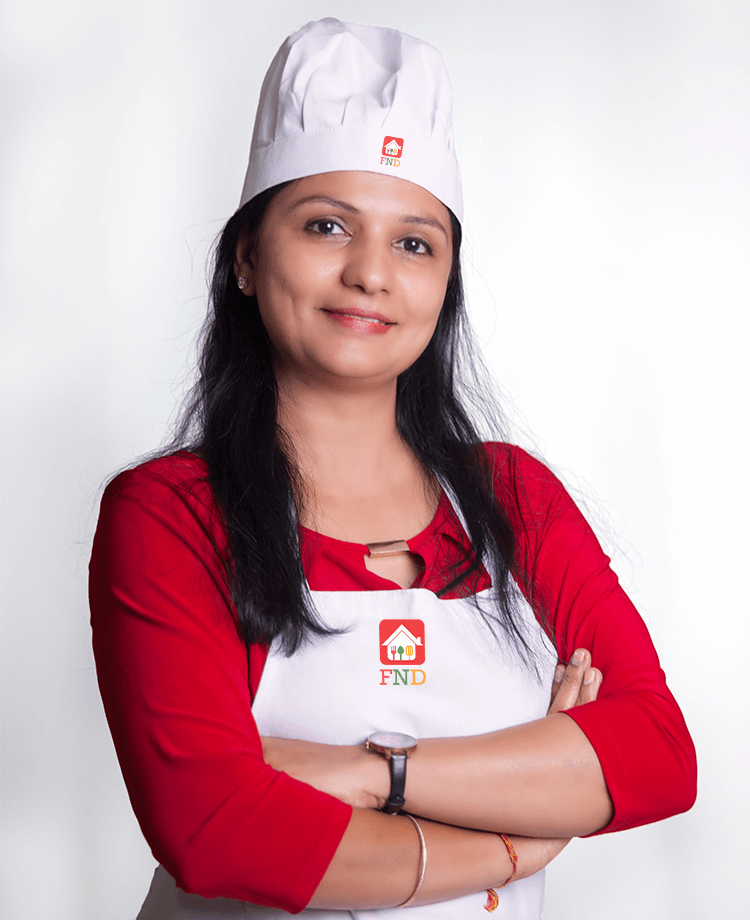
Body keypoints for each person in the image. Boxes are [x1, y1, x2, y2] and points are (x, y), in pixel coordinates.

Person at [89, 18, 696, 919]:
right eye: (327, 226)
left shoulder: (513, 497)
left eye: (414, 243)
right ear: (248, 257)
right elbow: (213, 828)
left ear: (445, 283)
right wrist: (514, 838)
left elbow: (657, 757)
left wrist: (380, 775)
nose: (371, 273)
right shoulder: (173, 514)